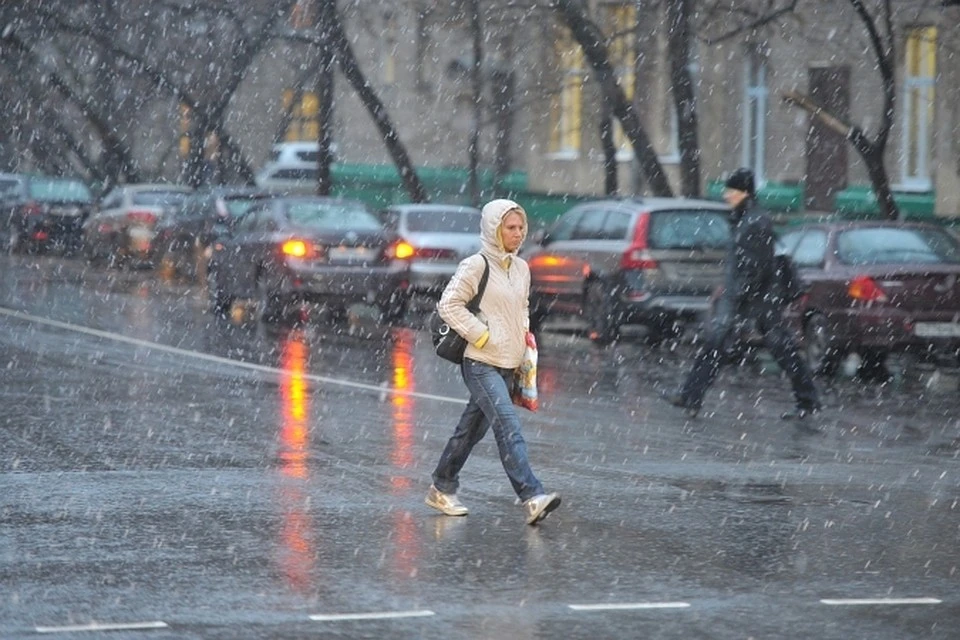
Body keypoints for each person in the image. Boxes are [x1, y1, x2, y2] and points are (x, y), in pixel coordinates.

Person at [426, 199, 561, 526]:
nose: (517, 234)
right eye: (510, 228)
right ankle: (531, 495)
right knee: (507, 424)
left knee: (469, 431)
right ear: (493, 229)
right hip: (480, 361)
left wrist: (523, 348)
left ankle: (442, 486)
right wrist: (481, 335)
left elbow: (522, 310)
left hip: (508, 363)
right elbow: (449, 305)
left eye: (520, 228)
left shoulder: (522, 268)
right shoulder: (476, 265)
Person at [661, 168, 821, 420]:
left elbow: (754, 269)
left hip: (757, 299)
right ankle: (691, 395)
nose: (726, 196)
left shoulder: (754, 222)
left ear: (744, 193)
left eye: (731, 191)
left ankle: (808, 401)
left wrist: (736, 296)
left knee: (769, 347)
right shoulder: (748, 218)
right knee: (730, 345)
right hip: (755, 298)